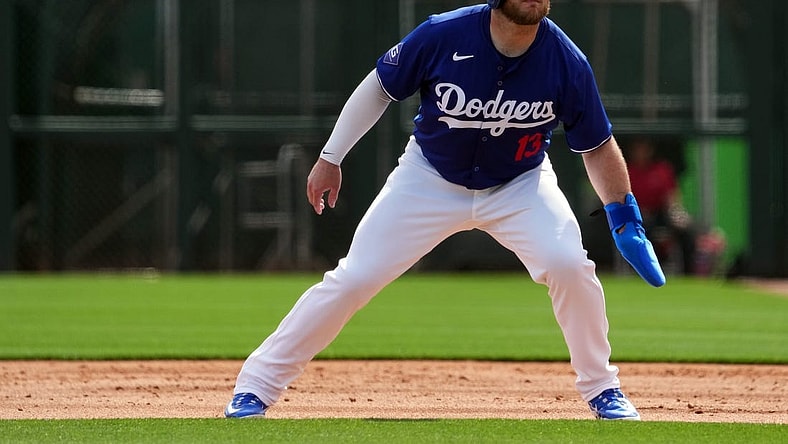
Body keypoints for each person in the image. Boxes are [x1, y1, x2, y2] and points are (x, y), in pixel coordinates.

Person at [224, 0, 664, 421]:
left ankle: (602, 387)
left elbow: (597, 145)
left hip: (520, 184)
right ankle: (256, 386)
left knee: (569, 264)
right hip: (429, 178)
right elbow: (378, 87)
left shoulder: (567, 61)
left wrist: (623, 215)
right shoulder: (443, 33)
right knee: (354, 277)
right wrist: (331, 156)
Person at [626, 138, 696, 274]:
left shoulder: (662, 169)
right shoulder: (628, 171)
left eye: (645, 149)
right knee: (643, 233)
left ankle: (689, 273)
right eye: (638, 149)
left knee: (686, 232)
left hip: (661, 213)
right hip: (637, 215)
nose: (641, 152)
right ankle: (646, 271)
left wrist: (676, 214)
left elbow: (671, 197)